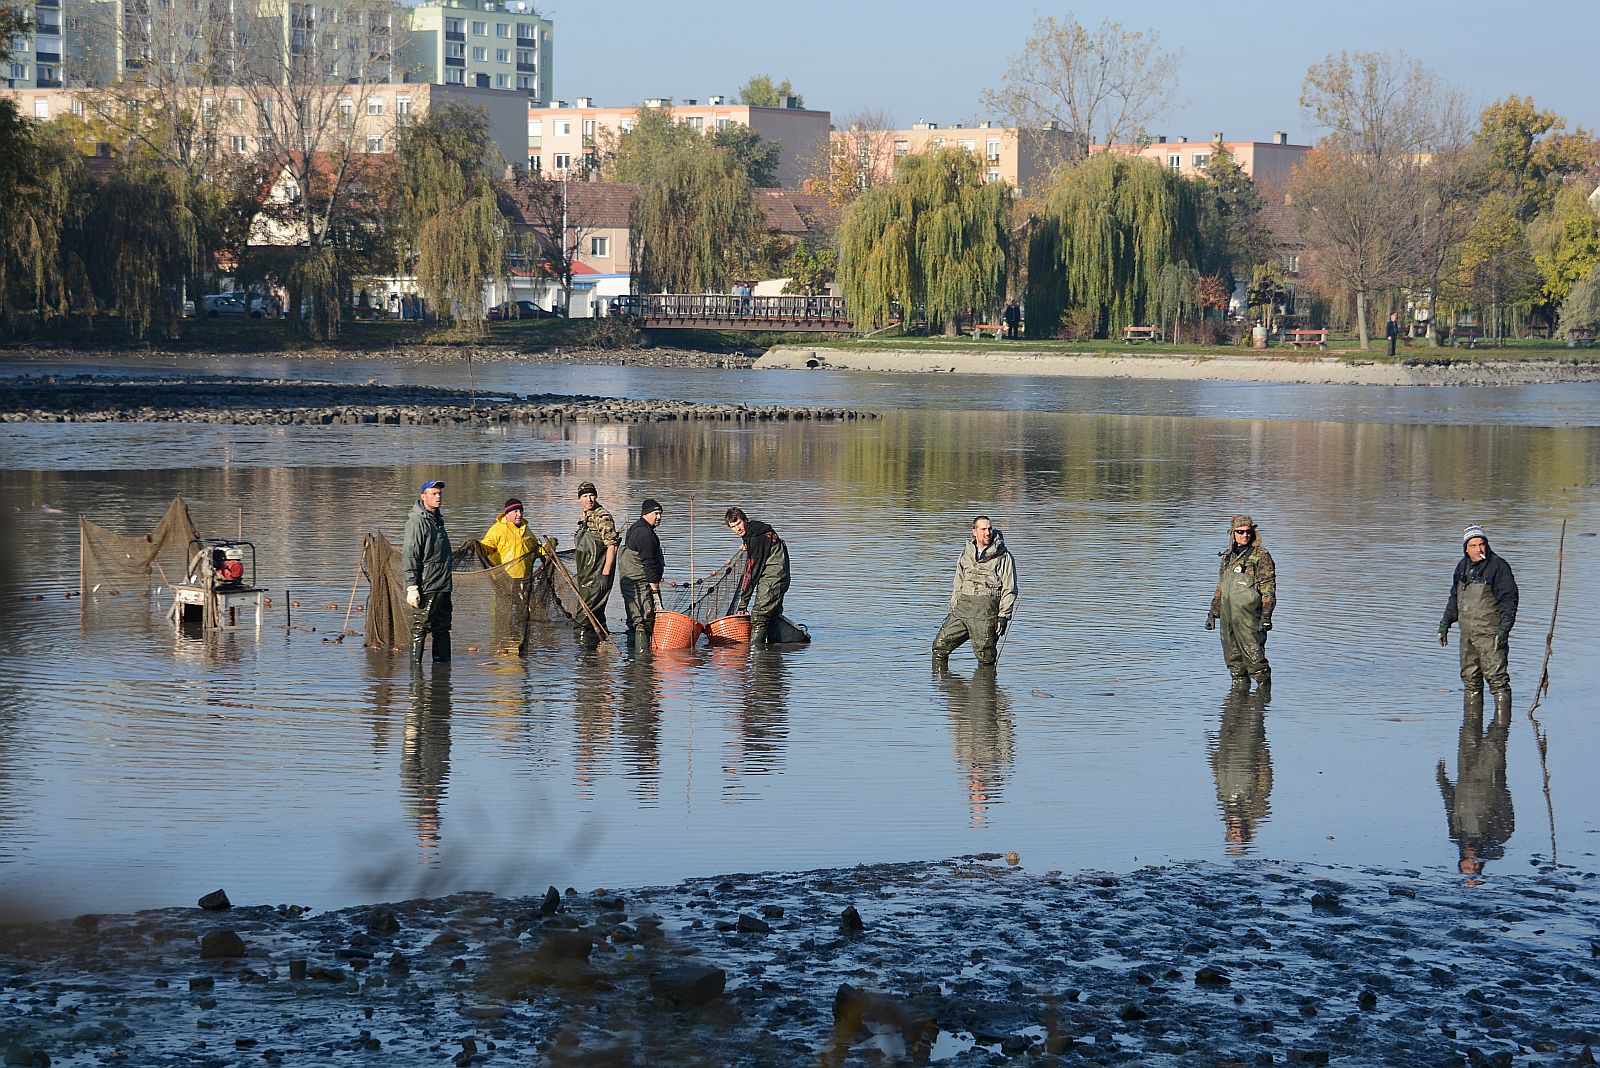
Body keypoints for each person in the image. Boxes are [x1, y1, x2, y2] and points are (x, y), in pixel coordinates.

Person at [1438, 524, 1518, 714]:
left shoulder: (1498, 567)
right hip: (1467, 634)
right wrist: (1445, 623)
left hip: (1490, 633)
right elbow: (1454, 597)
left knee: (1497, 680)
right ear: (1466, 548)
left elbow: (1509, 599)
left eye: (1481, 544)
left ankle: (1501, 726)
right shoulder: (1462, 567)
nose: (1478, 549)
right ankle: (1470, 726)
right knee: (1470, 679)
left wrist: (1504, 629)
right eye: (1473, 545)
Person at [932, 516, 1018, 667]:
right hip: (962, 608)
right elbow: (958, 582)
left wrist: (1003, 616)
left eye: (989, 529)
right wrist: (953, 608)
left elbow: (1009, 589)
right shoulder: (966, 552)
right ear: (974, 531)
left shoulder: (1004, 556)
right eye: (983, 529)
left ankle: (987, 682)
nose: (988, 533)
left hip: (986, 611)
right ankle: (941, 681)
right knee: (940, 646)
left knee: (985, 657)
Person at [1206, 514, 1276, 687]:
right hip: (1228, 616)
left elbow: (1268, 587)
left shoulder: (1261, 555)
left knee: (1256, 662)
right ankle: (1237, 699)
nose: (1245, 535)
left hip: (1249, 617)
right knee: (1234, 663)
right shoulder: (1227, 557)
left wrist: (1266, 616)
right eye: (1240, 532)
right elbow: (1221, 587)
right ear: (1233, 533)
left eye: (1248, 531)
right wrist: (1213, 613)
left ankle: (1263, 697)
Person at [479, 497, 542, 652]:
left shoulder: (526, 530)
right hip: (504, 580)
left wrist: (547, 548)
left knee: (524, 614)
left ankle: (521, 642)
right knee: (503, 614)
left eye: (520, 511)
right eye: (515, 511)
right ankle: (501, 644)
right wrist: (478, 547)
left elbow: (535, 549)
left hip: (524, 580)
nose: (519, 514)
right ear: (507, 514)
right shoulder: (497, 530)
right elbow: (487, 547)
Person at [402, 479, 453, 664]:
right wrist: (412, 586)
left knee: (443, 628)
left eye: (439, 493)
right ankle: (415, 672)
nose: (438, 497)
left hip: (443, 584)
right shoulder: (417, 522)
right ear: (423, 497)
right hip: (428, 585)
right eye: (434, 493)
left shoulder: (437, 520)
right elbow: (411, 554)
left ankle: (442, 671)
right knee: (421, 627)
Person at [725, 507, 791, 646]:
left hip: (774, 578)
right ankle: (774, 653)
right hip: (778, 576)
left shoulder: (756, 537)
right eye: (733, 526)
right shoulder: (755, 530)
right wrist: (746, 543)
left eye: (739, 523)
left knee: (759, 615)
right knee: (772, 616)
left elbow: (752, 573)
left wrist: (743, 604)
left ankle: (755, 651)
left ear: (745, 520)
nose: (738, 528)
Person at [574, 481, 620, 640]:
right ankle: (600, 643)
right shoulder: (584, 516)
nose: (589, 499)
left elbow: (612, 545)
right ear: (579, 499)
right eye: (585, 496)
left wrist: (605, 573)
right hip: (586, 572)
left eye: (592, 495)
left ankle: (581, 645)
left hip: (598, 572)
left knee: (584, 614)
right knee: (596, 612)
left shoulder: (602, 516)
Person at [618, 498, 666, 644]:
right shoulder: (644, 534)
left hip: (631, 583)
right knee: (643, 622)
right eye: (655, 513)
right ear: (645, 514)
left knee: (635, 620)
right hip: (640, 584)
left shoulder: (636, 528)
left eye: (660, 513)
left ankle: (633, 652)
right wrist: (655, 592)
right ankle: (642, 655)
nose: (659, 517)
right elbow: (649, 564)